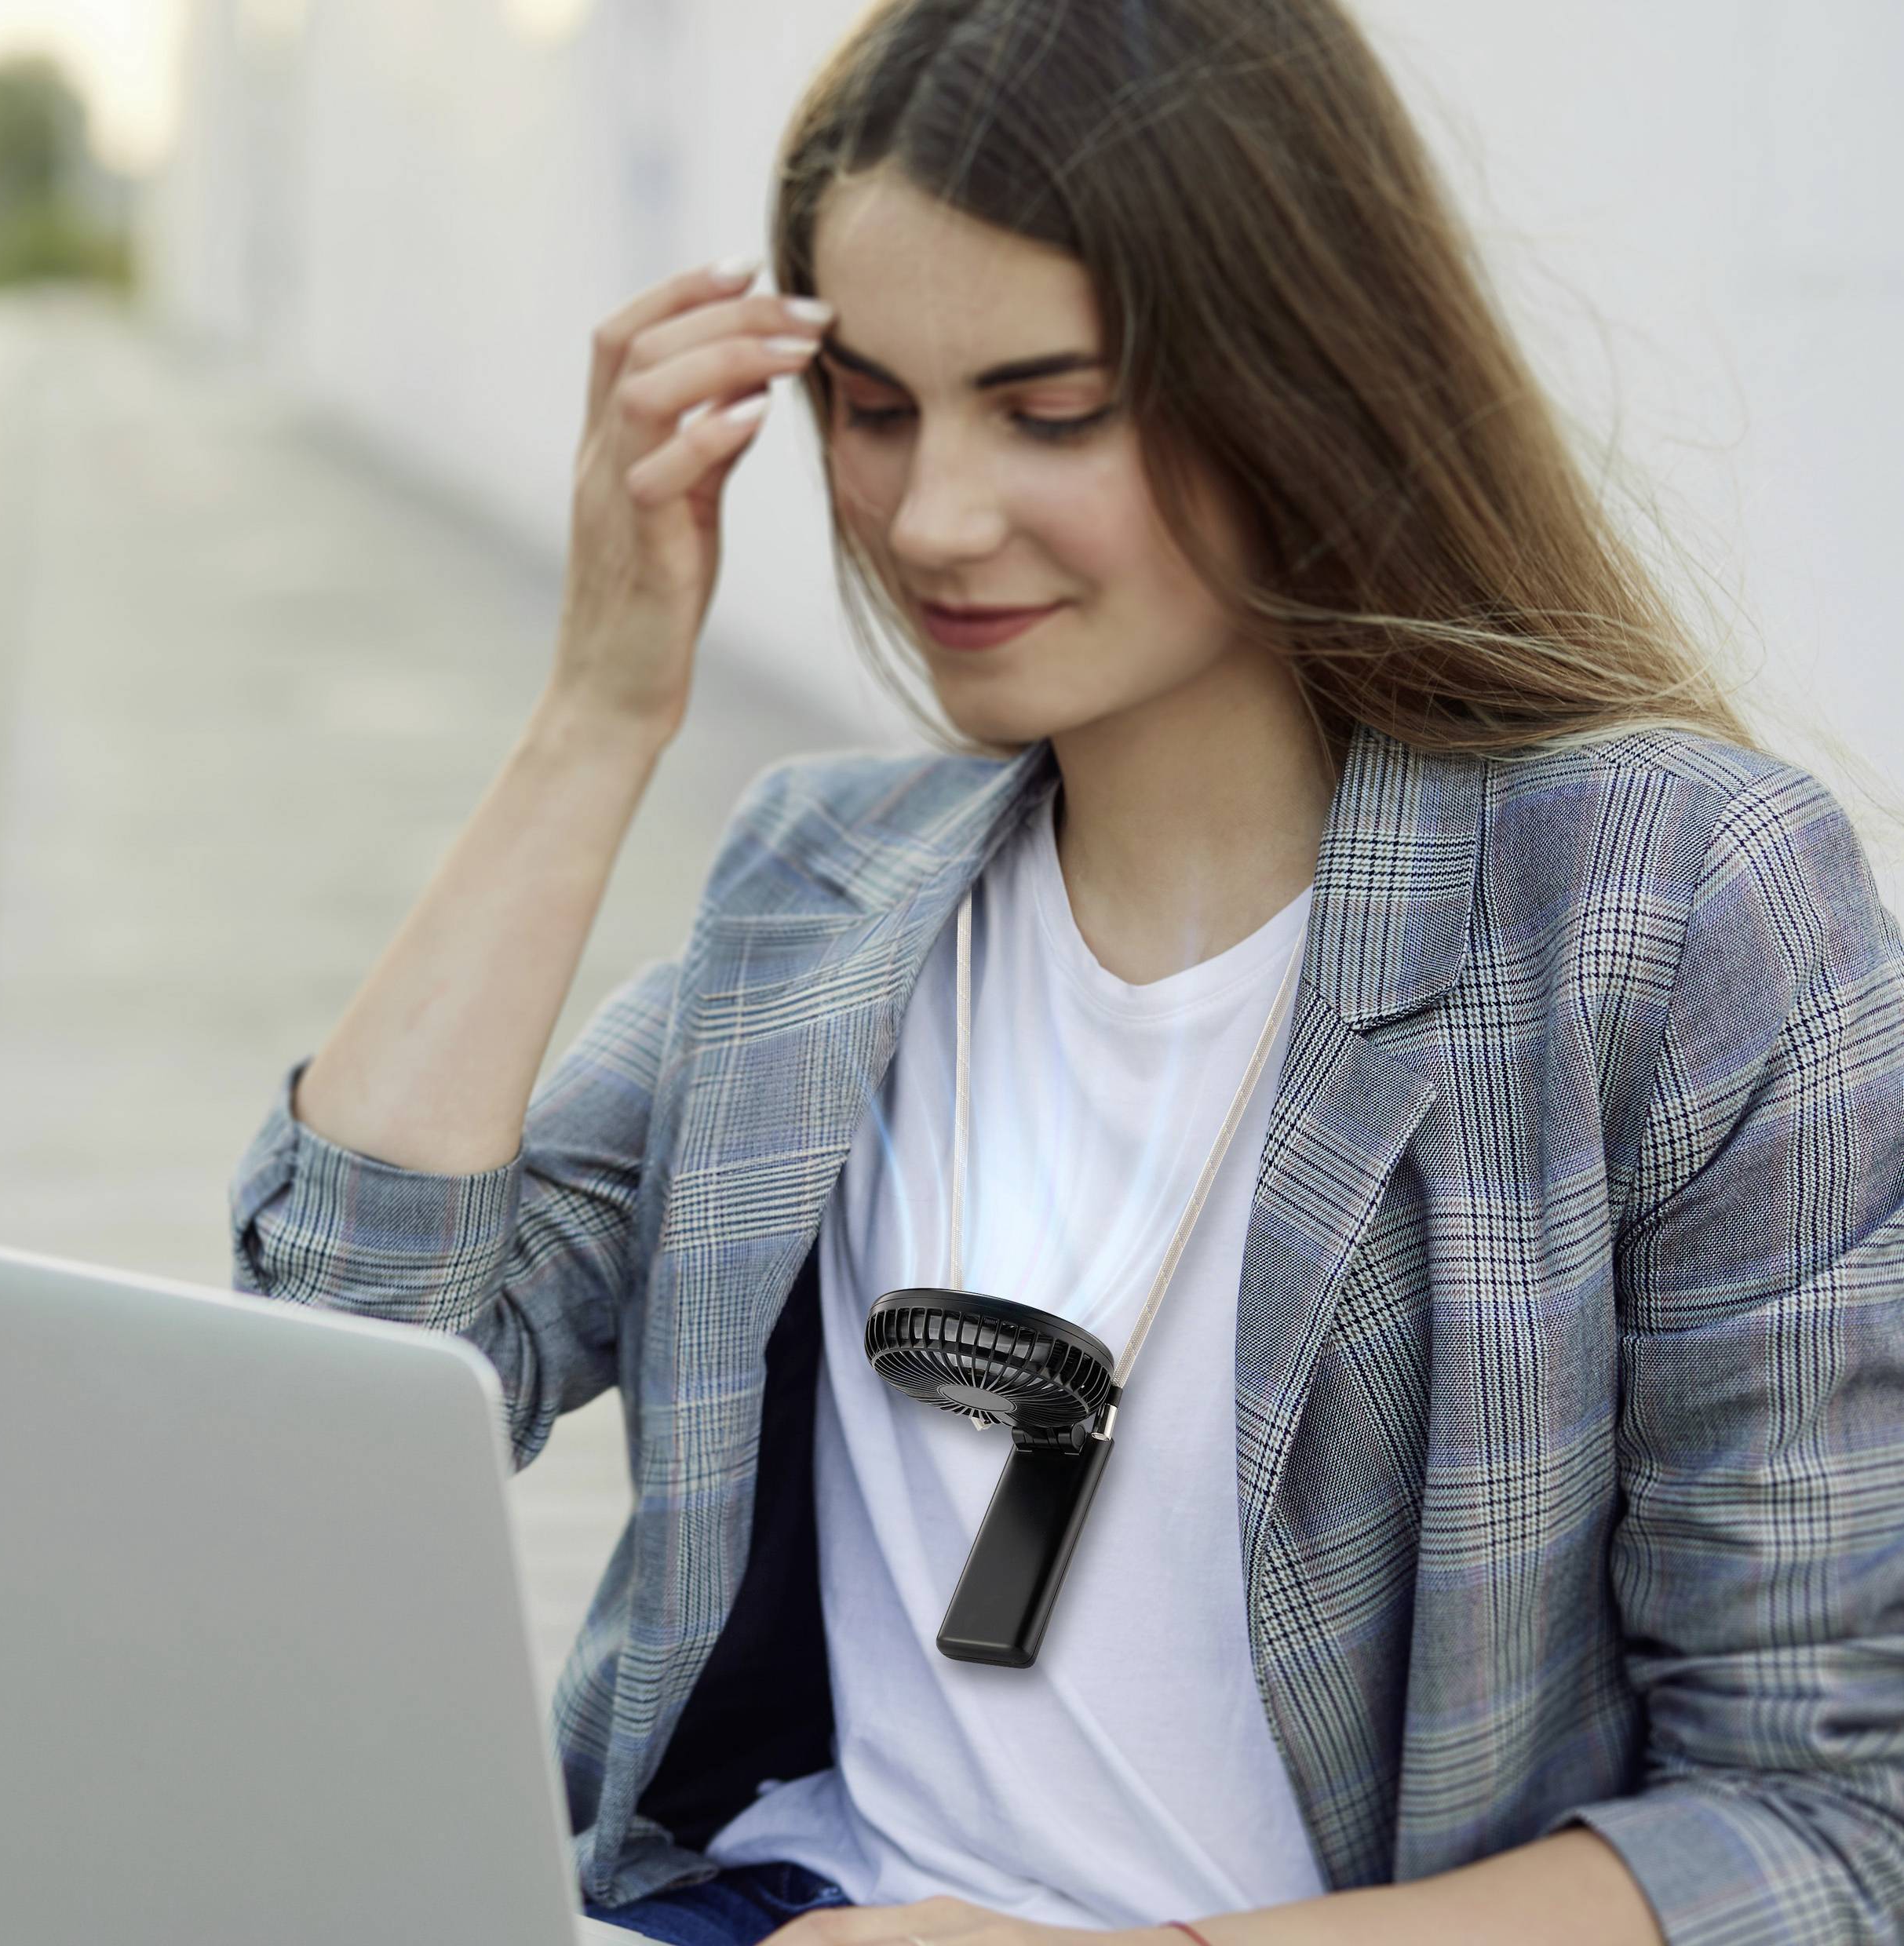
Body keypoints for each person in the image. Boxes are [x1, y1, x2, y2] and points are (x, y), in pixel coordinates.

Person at [227, 2, 1904, 1943]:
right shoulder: (824, 891)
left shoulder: (1666, 906)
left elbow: (1824, 1828)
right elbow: (340, 1379)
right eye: (873, 408)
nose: (934, 518)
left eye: (1051, 409)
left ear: (1297, 378)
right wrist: (596, 711)